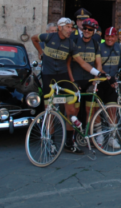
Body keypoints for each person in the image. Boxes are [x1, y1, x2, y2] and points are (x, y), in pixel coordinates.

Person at [31, 17, 101, 154]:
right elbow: (33, 38)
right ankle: (50, 141)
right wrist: (41, 52)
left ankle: (69, 142)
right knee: (49, 110)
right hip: (48, 77)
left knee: (71, 110)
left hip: (63, 77)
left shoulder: (70, 44)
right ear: (60, 27)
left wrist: (97, 73)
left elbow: (82, 63)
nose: (71, 30)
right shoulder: (48, 37)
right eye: (68, 27)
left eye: (72, 27)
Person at [66, 18, 102, 141]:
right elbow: (68, 64)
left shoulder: (96, 44)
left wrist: (95, 80)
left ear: (94, 31)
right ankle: (72, 138)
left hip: (89, 81)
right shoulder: (74, 42)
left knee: (89, 110)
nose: (86, 31)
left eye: (90, 29)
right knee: (74, 110)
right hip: (76, 80)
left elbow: (99, 64)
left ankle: (87, 137)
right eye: (84, 28)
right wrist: (72, 80)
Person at [97, 27, 121, 149]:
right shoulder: (99, 47)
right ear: (104, 37)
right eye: (107, 36)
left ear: (115, 37)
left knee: (113, 109)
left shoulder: (119, 48)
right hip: (101, 81)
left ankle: (112, 137)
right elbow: (98, 66)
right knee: (97, 109)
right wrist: (107, 77)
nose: (109, 38)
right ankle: (99, 135)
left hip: (112, 82)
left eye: (112, 36)